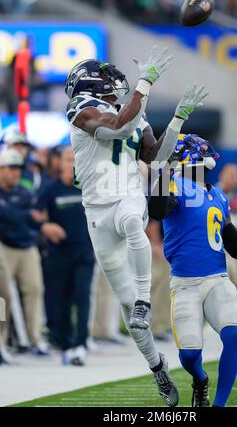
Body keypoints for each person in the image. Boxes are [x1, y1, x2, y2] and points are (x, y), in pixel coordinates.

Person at [65, 46, 207, 406]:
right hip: (96, 211)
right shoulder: (81, 111)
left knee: (132, 220)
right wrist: (145, 84)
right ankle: (158, 368)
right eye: (107, 75)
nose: (116, 81)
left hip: (126, 195)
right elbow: (116, 127)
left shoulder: (134, 112)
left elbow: (156, 158)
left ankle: (145, 300)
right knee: (130, 313)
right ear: (91, 83)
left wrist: (178, 119)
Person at [148, 134, 237, 407]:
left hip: (217, 279)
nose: (206, 153)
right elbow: (157, 208)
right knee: (189, 355)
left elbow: (233, 246)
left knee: (234, 334)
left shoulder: (218, 195)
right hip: (185, 283)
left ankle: (219, 405)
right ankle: (200, 380)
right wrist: (165, 174)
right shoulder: (175, 185)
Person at [0, 148, 64, 354]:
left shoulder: (25, 193)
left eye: (18, 168)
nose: (16, 172)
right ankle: (1, 342)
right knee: (2, 297)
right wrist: (31, 219)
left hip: (26, 246)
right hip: (3, 246)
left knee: (35, 289)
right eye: (11, 167)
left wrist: (32, 219)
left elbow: (33, 216)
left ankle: (34, 338)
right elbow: (17, 216)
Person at [35, 147, 94, 365]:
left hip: (85, 251)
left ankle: (81, 343)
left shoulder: (88, 187)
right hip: (59, 252)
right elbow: (36, 215)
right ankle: (65, 342)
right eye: (68, 159)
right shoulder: (50, 188)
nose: (72, 163)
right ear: (60, 162)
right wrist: (45, 226)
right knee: (61, 299)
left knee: (83, 296)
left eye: (75, 159)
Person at [218, 163, 237, 288]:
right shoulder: (212, 193)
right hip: (216, 245)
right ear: (221, 175)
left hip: (231, 244)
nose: (232, 178)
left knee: (234, 284)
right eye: (229, 175)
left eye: (235, 175)